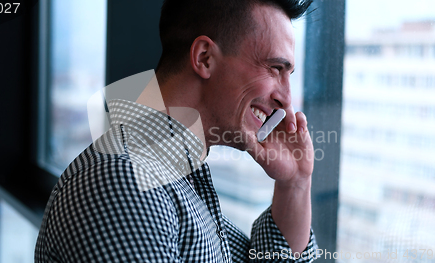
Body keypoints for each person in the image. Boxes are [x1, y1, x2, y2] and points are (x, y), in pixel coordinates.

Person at [35, 0, 319, 262]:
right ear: (204, 58)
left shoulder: (179, 177)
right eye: (274, 69)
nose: (286, 98)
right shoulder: (127, 183)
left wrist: (294, 182)